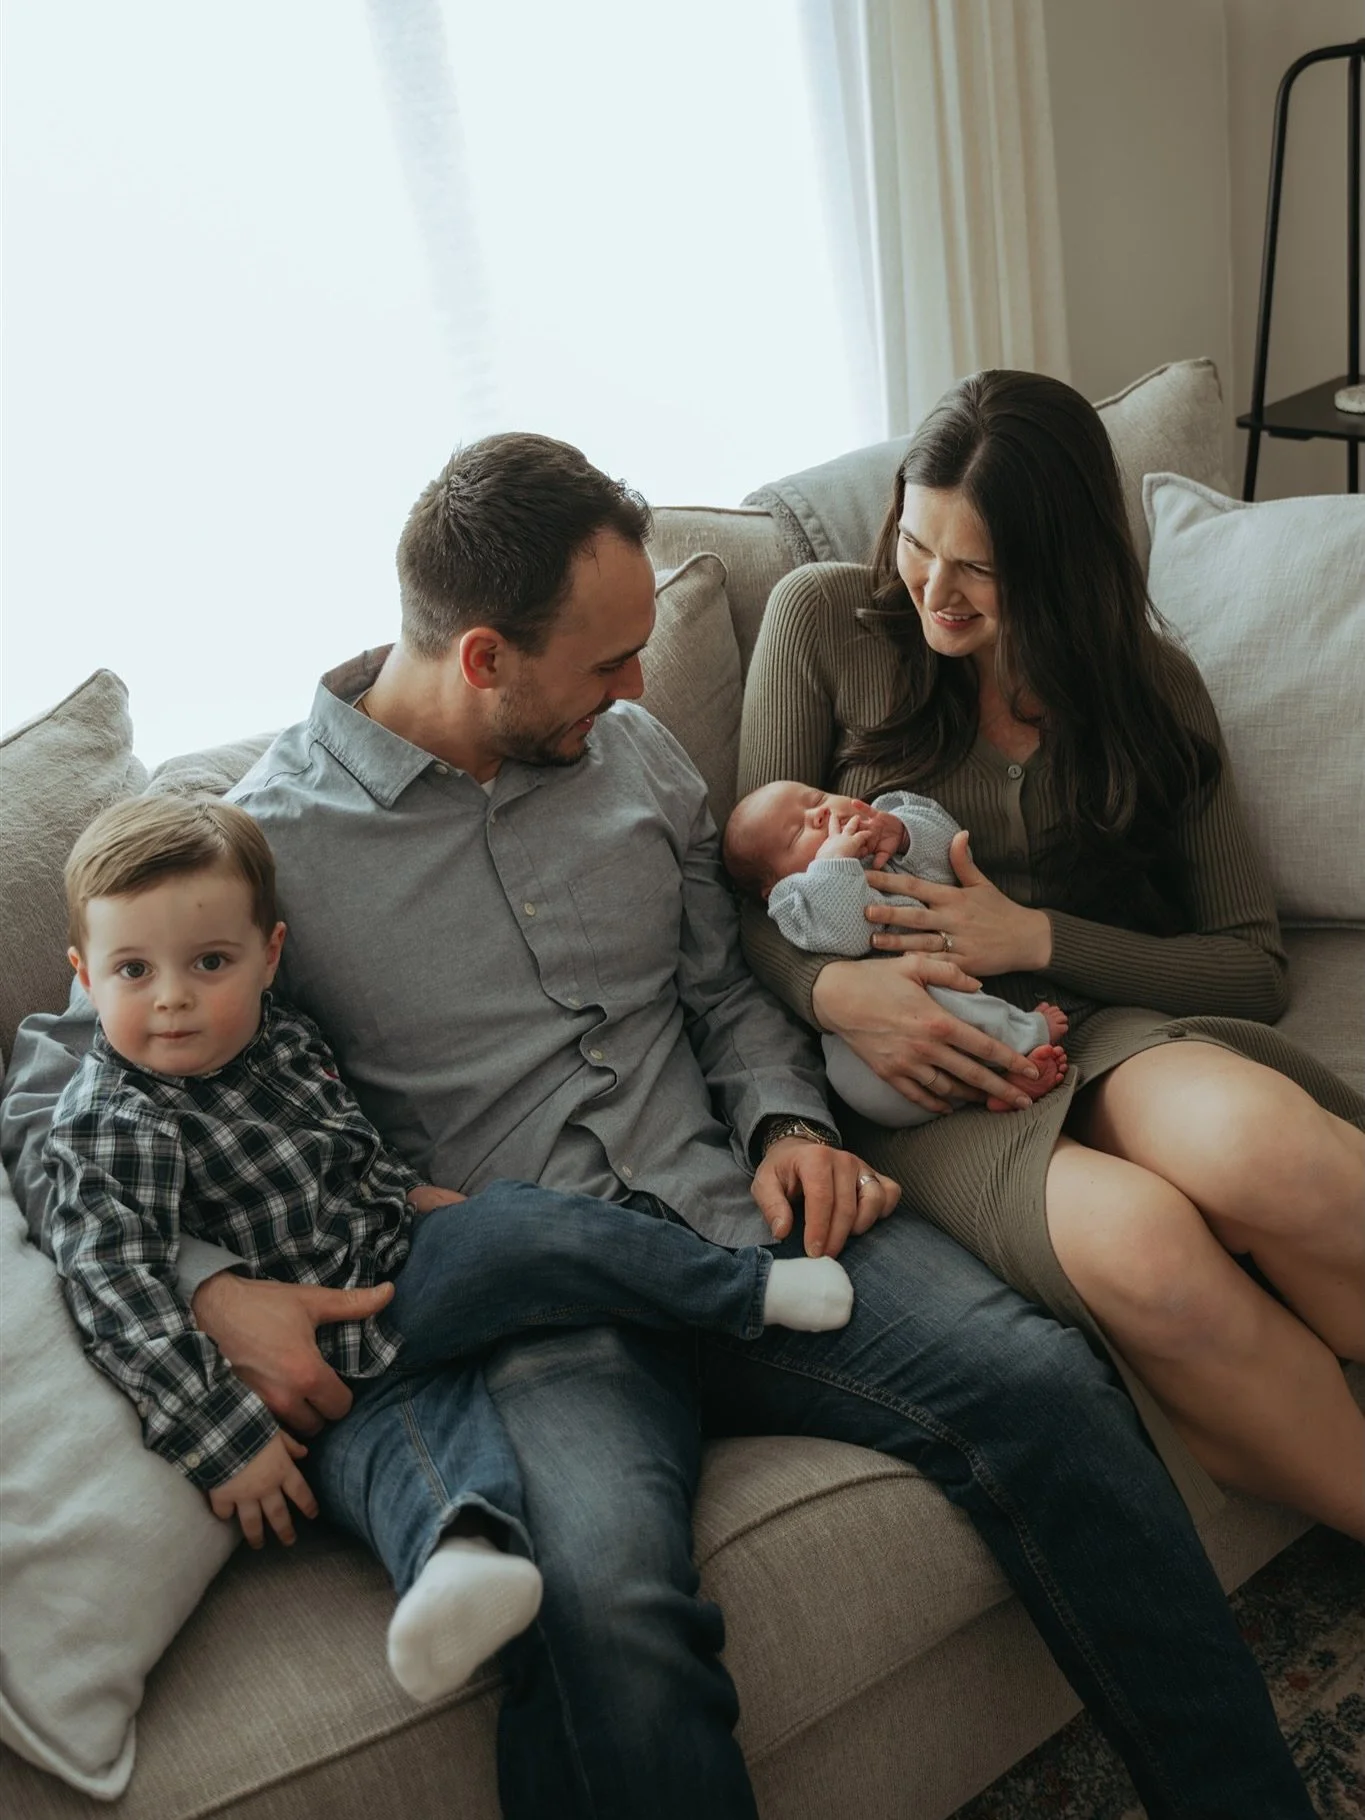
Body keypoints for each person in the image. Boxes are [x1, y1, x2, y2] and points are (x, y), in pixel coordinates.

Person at [0, 430, 1320, 1819]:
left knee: (1046, 1388)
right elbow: (51, 1098)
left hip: (745, 1223)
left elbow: (720, 988)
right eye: (609, 662)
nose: (640, 689)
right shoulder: (267, 846)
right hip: (545, 1310)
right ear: (485, 658)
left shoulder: (633, 758)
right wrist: (210, 1288)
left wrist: (789, 1126)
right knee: (606, 1614)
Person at [737, 368, 1365, 1546]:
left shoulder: (1149, 686)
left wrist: (1035, 937)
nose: (935, 588)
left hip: (1098, 1023)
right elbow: (736, 895)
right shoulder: (821, 622)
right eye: (918, 542)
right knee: (1147, 1248)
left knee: (1271, 1151)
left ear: (1064, 563)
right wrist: (837, 989)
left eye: (978, 567)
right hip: (916, 1085)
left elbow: (1252, 963)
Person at [45, 792, 853, 1702]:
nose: (173, 998)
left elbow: (348, 1147)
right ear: (86, 976)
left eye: (209, 962)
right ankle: (457, 1561)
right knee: (400, 1454)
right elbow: (115, 1293)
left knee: (519, 1224)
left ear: (269, 957)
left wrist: (409, 1196)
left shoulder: (282, 1037)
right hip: (312, 1376)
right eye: (133, 970)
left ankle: (742, 1288)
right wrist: (222, 1441)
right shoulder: (114, 1123)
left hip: (401, 1270)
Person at [722, 779, 1068, 1124]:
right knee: (849, 1077)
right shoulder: (794, 903)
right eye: (797, 833)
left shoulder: (886, 818)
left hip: (933, 982)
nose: (820, 814)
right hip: (867, 1031)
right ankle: (983, 1086)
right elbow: (851, 934)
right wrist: (833, 865)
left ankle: (1022, 1042)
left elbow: (950, 857)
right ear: (773, 887)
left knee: (960, 1005)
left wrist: (903, 835)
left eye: (818, 798)